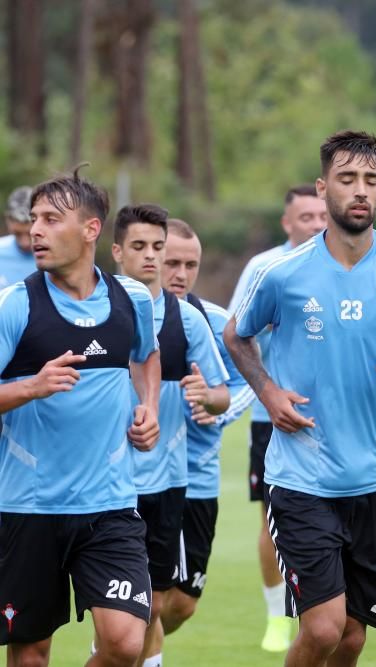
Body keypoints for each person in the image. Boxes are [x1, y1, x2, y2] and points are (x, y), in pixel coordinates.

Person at [224, 130, 376, 667]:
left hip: (374, 481)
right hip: (302, 479)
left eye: (371, 180)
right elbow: (236, 335)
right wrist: (270, 392)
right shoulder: (283, 273)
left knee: (352, 637)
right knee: (321, 630)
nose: (361, 190)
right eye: (347, 180)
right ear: (324, 189)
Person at [0, 169, 161, 667]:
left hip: (110, 504)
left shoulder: (131, 298)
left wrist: (149, 406)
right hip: (29, 507)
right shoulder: (15, 305)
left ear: (91, 229)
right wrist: (31, 386)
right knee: (31, 654)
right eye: (33, 221)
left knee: (124, 643)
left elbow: (146, 355)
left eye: (51, 219)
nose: (36, 231)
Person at [111, 204, 230, 667]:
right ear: (117, 251)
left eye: (158, 248)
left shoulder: (187, 320)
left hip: (167, 482)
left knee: (157, 605)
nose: (152, 258)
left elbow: (222, 392)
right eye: (139, 247)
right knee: (122, 612)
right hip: (107, 485)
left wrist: (207, 396)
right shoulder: (98, 313)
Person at [225, 183, 327, 652]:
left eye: (319, 216)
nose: (314, 224)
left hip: (332, 419)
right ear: (287, 223)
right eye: (305, 217)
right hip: (274, 415)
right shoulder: (266, 268)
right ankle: (275, 617)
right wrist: (266, 393)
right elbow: (237, 331)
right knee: (272, 517)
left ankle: (321, 611)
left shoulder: (344, 268)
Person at [158, 218, 249, 638]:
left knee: (182, 605)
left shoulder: (215, 322)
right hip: (143, 480)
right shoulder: (121, 317)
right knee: (146, 601)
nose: (180, 274)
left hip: (200, 479)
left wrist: (219, 409)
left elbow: (247, 379)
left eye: (190, 264)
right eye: (171, 262)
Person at [0, 186, 37, 288]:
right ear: (7, 220)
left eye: (30, 234)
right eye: (17, 233)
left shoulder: (58, 256)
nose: (25, 243)